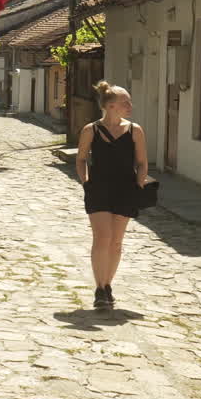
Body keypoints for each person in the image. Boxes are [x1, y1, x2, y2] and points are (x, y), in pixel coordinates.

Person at [74, 81, 149, 310]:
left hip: (125, 189)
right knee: (102, 238)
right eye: (125, 102)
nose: (130, 105)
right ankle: (99, 288)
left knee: (116, 242)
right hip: (98, 189)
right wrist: (86, 182)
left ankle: (108, 285)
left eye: (129, 101)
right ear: (110, 106)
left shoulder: (135, 130)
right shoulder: (91, 130)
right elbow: (81, 158)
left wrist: (138, 185)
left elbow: (142, 162)